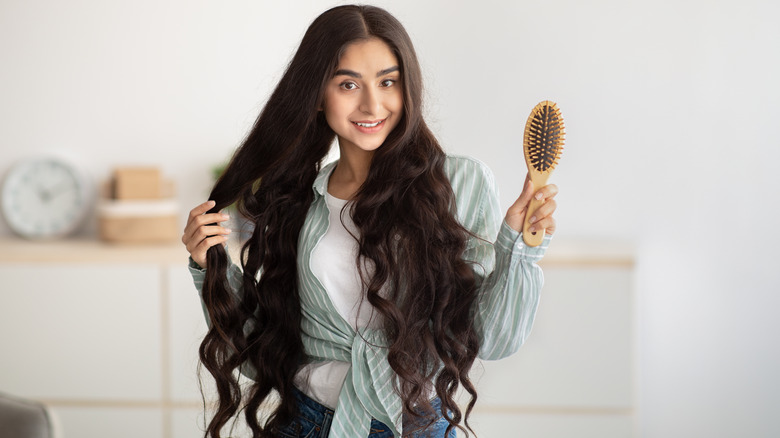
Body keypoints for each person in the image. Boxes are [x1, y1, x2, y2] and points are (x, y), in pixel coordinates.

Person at [182, 4, 558, 438]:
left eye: (388, 82)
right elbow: (259, 352)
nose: (372, 104)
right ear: (317, 95)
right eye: (348, 84)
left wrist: (519, 248)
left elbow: (490, 339)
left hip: (415, 427)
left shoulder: (457, 183)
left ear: (407, 88)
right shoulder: (297, 200)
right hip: (307, 424)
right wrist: (208, 266)